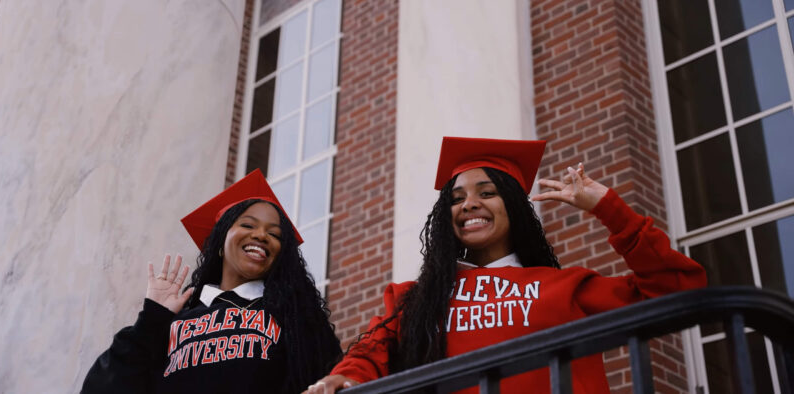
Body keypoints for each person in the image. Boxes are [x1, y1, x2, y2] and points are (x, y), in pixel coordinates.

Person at [306, 137, 706, 394]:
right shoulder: (415, 299)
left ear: (513, 207)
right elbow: (369, 354)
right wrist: (345, 378)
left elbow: (679, 293)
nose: (469, 204)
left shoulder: (564, 288)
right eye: (456, 198)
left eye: (488, 192)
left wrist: (610, 210)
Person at [83, 169, 342, 394]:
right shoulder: (174, 320)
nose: (262, 235)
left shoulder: (294, 318)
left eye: (275, 234)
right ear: (220, 244)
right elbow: (104, 388)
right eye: (248, 225)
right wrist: (151, 320)